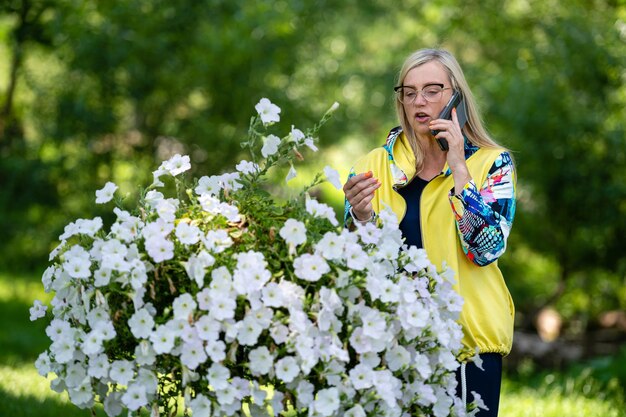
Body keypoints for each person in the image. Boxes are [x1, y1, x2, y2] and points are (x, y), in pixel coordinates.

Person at [343, 48, 516, 417]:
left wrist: (459, 167)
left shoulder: (492, 162)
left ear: (457, 96)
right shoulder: (372, 166)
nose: (419, 101)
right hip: (392, 344)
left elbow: (485, 250)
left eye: (433, 90)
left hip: (469, 345)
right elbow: (353, 262)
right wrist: (359, 217)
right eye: (409, 92)